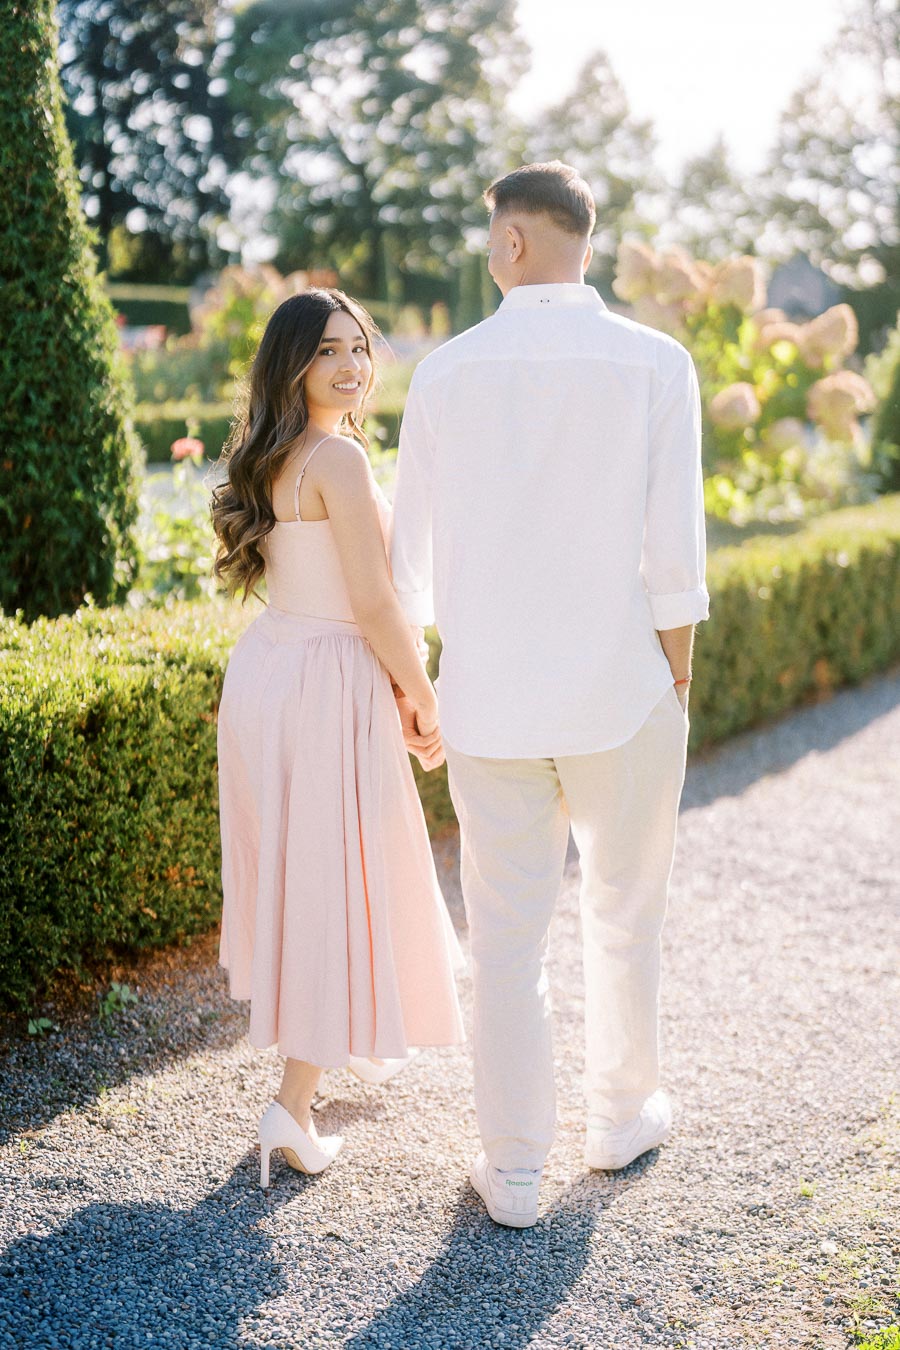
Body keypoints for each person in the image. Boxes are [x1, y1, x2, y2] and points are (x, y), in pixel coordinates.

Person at [391, 162, 709, 1228]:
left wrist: (419, 686)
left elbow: (410, 568)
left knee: (508, 936)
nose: (489, 252)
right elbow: (677, 552)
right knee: (628, 914)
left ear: (516, 242)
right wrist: (679, 680)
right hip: (621, 689)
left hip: (489, 701)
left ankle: (516, 1168)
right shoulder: (656, 362)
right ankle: (622, 1117)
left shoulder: (445, 372)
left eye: (492, 236)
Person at [211, 289, 464, 1189]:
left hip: (272, 669)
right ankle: (292, 1106)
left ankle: (333, 1043)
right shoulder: (340, 460)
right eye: (328, 352)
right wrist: (423, 692)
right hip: (325, 679)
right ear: (293, 365)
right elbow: (373, 603)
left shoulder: (269, 452)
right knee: (336, 877)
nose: (352, 366)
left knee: (306, 871)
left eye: (360, 348)